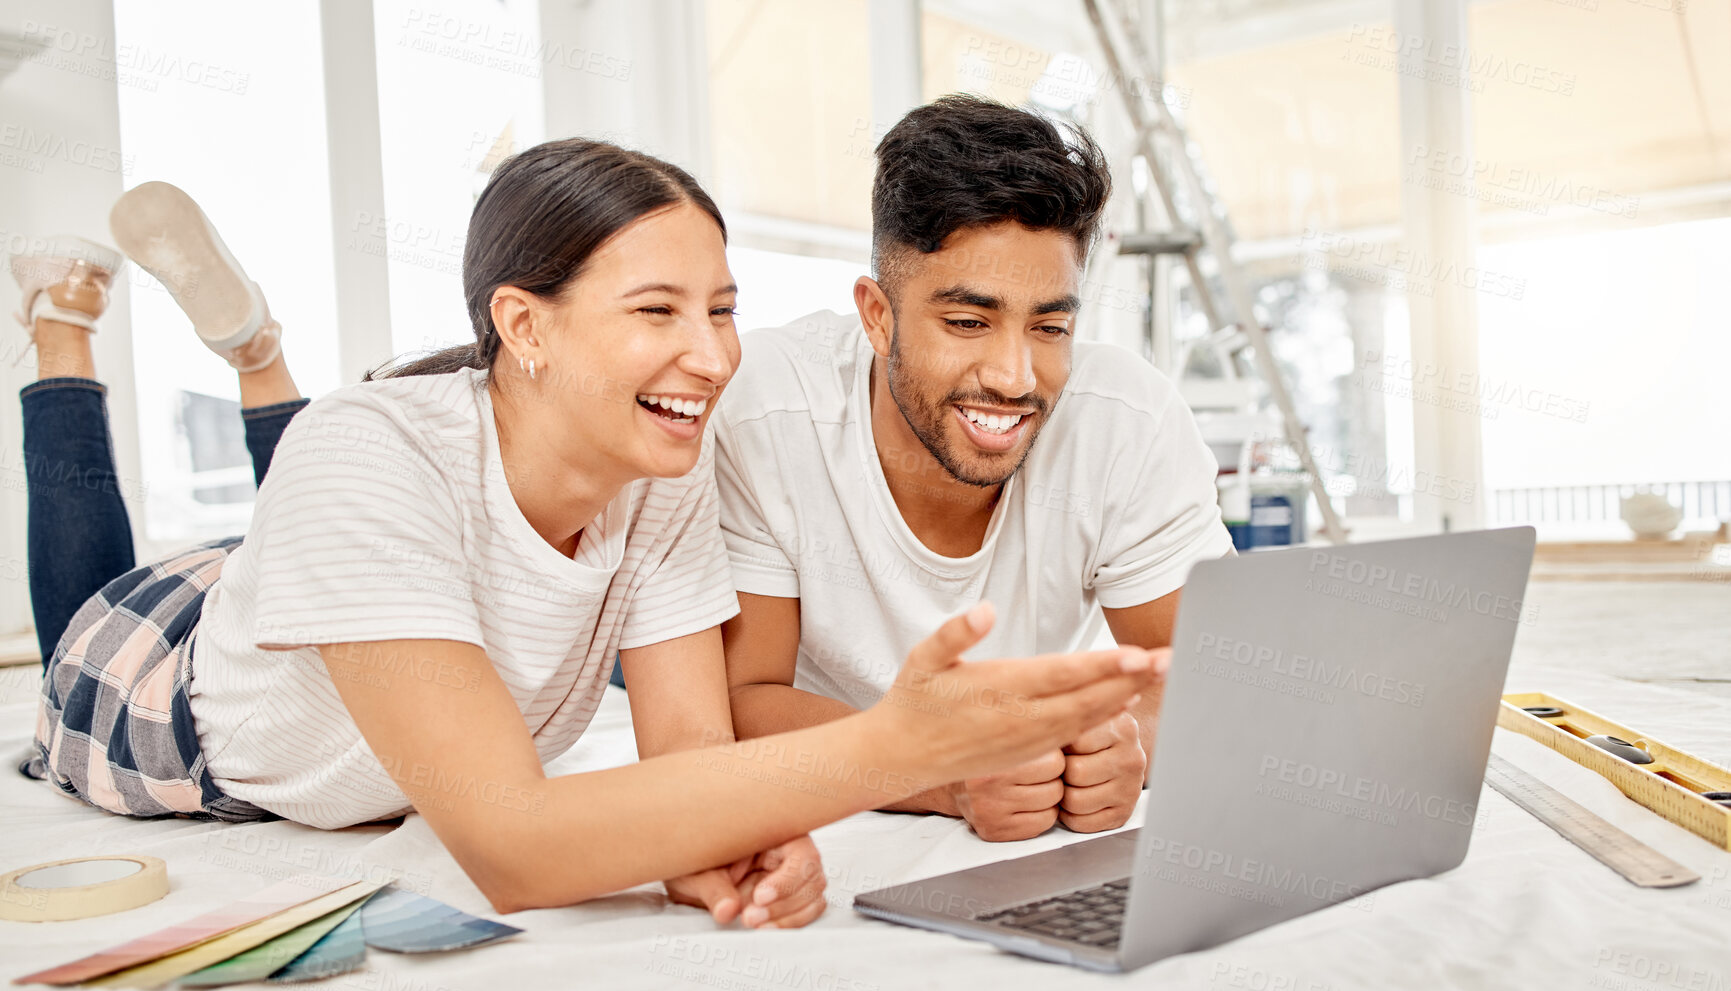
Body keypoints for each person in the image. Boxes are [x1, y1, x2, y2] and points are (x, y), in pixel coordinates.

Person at [11, 142, 1161, 927]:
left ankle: (261, 353)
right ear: (524, 326)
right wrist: (906, 749)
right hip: (160, 686)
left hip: (324, 571)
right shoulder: (367, 455)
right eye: (658, 311)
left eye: (722, 310)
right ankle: (72, 335)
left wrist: (712, 842)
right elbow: (515, 847)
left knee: (319, 498)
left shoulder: (661, 470)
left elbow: (693, 769)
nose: (713, 358)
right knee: (82, 592)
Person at [716, 95, 1231, 842]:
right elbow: (742, 698)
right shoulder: (765, 406)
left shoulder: (1128, 420)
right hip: (832, 811)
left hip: (1030, 816)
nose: (1015, 377)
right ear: (876, 316)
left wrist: (1120, 748)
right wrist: (944, 772)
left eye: (1050, 326)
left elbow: (1206, 682)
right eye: (967, 322)